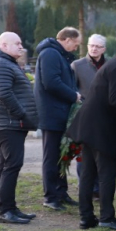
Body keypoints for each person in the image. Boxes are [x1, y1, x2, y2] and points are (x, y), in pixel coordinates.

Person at [67, 31, 116, 231]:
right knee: (106, 173)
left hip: (90, 124)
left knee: (88, 173)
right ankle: (106, 217)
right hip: (100, 127)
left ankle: (86, 218)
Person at [0, 32, 39, 224]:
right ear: (4, 45)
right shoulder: (0, 64)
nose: (21, 47)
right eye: (17, 43)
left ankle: (9, 207)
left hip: (9, 123)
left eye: (21, 43)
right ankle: (5, 211)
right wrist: (22, 115)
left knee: (6, 164)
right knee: (12, 165)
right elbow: (4, 94)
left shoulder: (6, 62)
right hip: (9, 124)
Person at [34, 27, 81, 211]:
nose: (76, 48)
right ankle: (50, 196)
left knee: (62, 155)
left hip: (60, 112)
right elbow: (51, 82)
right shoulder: (50, 54)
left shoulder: (60, 55)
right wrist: (73, 96)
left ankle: (61, 192)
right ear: (67, 40)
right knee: (51, 155)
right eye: (75, 44)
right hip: (52, 113)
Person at [72, 34, 106, 198]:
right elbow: (72, 89)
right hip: (84, 115)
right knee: (83, 155)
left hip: (105, 116)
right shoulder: (77, 65)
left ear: (103, 49)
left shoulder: (110, 65)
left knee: (102, 152)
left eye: (98, 46)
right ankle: (85, 186)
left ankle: (99, 187)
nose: (94, 48)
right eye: (91, 45)